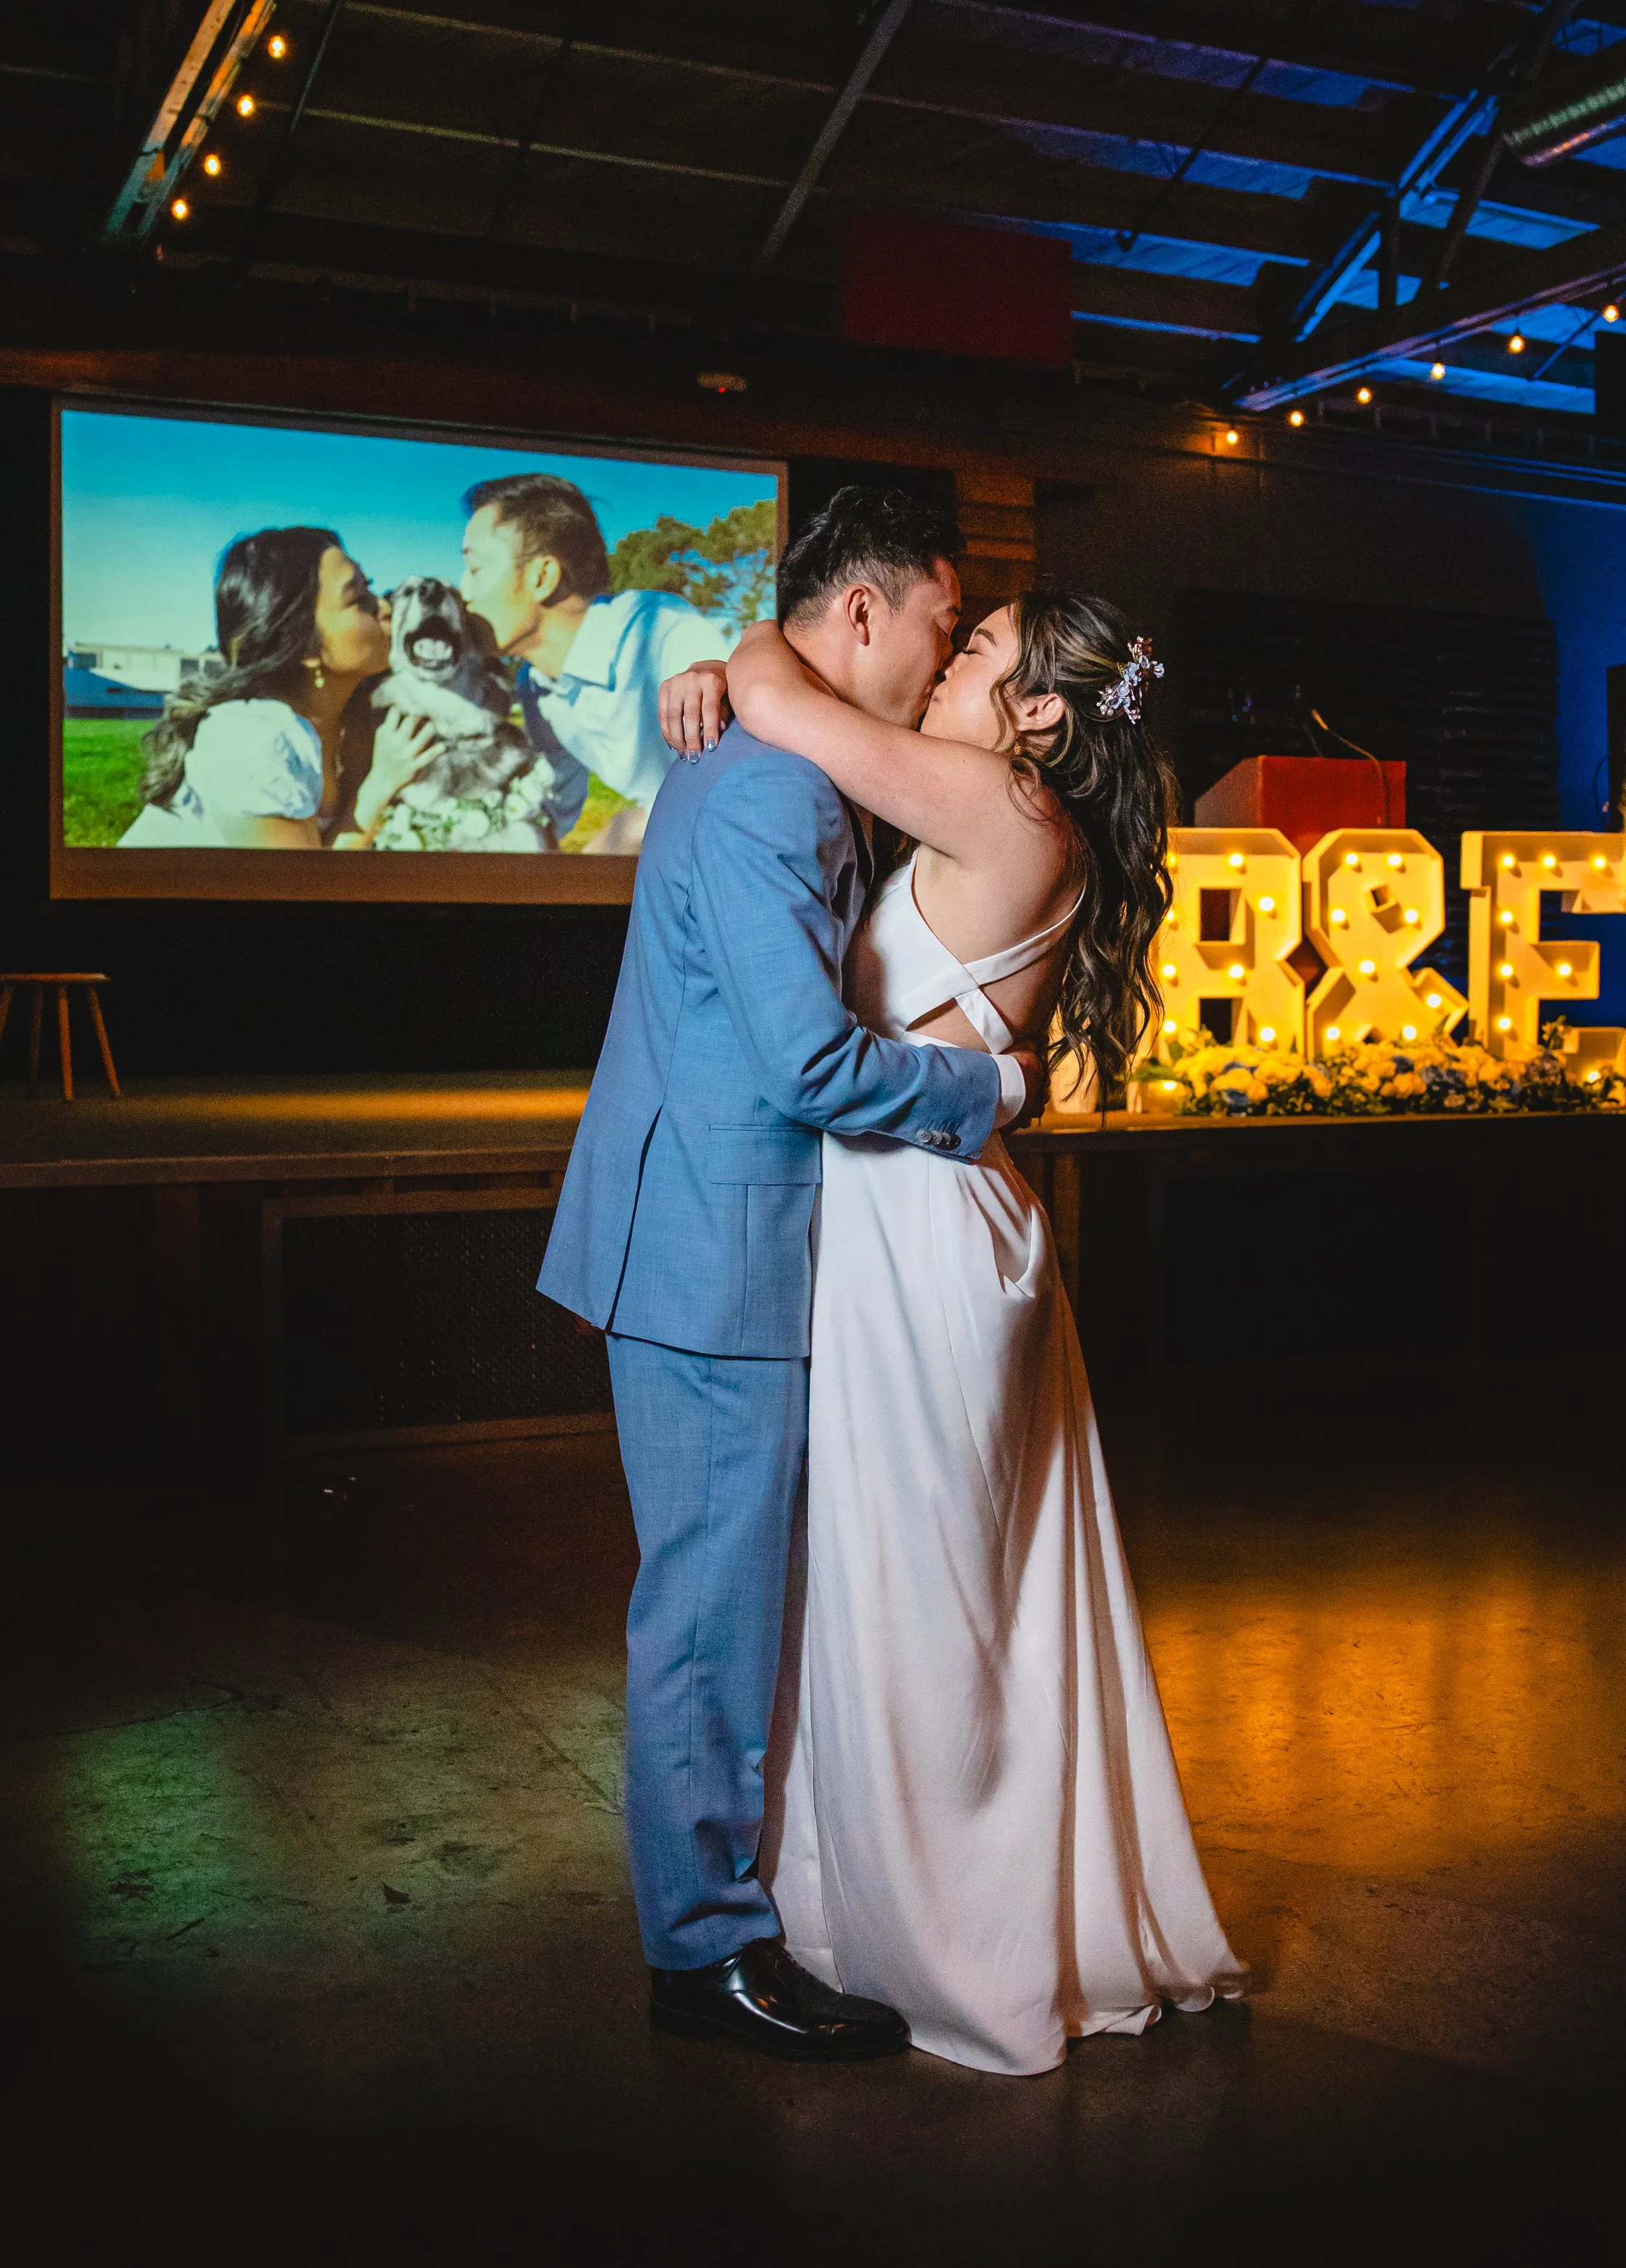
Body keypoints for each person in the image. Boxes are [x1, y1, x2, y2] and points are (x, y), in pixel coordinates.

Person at [658, 580, 1247, 2076]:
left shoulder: (996, 796)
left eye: (976, 649)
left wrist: (721, 652)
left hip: (918, 1226)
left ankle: (945, 1932)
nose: (948, 668)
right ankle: (914, 1900)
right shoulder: (1016, 815)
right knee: (926, 1584)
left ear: (1038, 712)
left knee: (917, 1592)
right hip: (921, 1212)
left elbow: (783, 693)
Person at [538, 488, 1046, 2063]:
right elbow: (809, 1061)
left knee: (723, 1598)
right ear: (862, 618)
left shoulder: (781, 755)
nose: (938, 661)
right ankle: (703, 1953)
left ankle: (725, 1916)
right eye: (937, 627)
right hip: (707, 1250)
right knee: (704, 1612)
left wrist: (738, 656)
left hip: (707, 1234)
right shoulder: (773, 794)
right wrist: (993, 1094)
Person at [456, 472, 733, 854]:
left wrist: (631, 827)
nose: (462, 593)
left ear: (542, 577)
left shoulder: (658, 629)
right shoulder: (535, 686)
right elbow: (558, 798)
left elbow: (739, 782)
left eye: (474, 569)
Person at [120, 527, 440, 851]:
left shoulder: (361, 713)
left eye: (370, 589)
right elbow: (305, 888)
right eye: (359, 601)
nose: (386, 608)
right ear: (303, 646)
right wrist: (380, 784)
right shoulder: (255, 739)